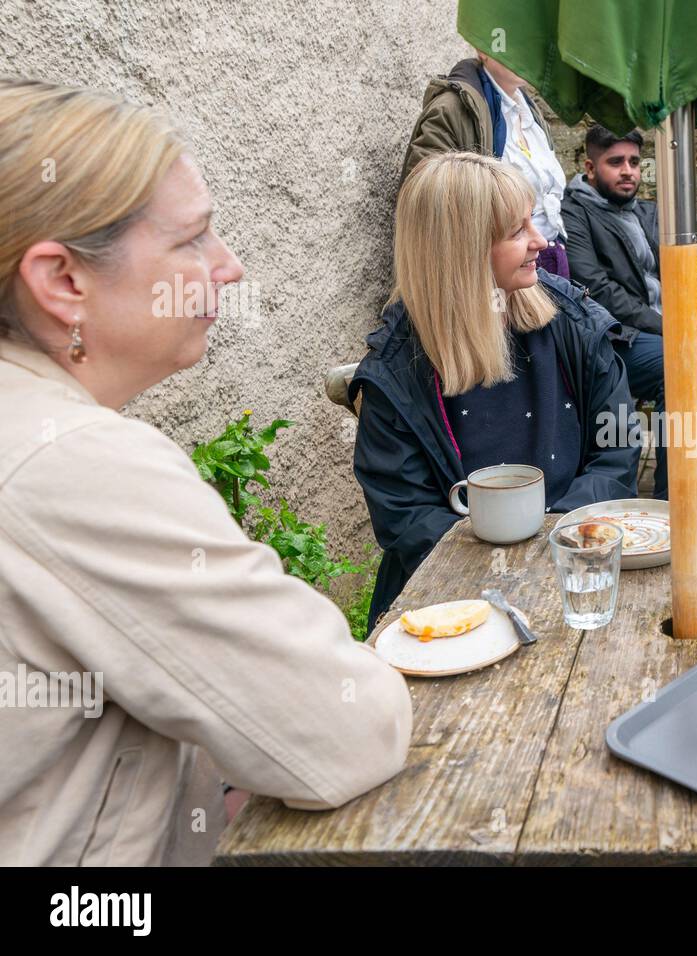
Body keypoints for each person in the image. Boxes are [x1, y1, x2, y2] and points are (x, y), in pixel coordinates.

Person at [0, 79, 412, 865]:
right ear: (62, 282)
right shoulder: (73, 466)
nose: (229, 268)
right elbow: (344, 731)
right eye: (192, 240)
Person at [351, 152, 640, 630]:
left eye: (532, 222)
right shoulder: (397, 371)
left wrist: (553, 537)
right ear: (461, 251)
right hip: (453, 602)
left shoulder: (571, 321)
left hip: (573, 569)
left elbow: (618, 448)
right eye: (516, 232)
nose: (541, 242)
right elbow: (404, 517)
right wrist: (503, 559)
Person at [562, 125, 697, 496]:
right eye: (615, 162)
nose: (628, 170)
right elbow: (598, 289)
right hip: (616, 341)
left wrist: (692, 319)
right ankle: (675, 496)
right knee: (680, 367)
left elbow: (681, 273)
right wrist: (675, 328)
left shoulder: (645, 211)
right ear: (589, 167)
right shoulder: (575, 215)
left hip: (668, 329)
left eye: (634, 161)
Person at [400, 50, 570, 278]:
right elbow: (426, 208)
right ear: (483, 47)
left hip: (548, 264)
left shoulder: (529, 110)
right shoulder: (452, 110)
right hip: (493, 279)